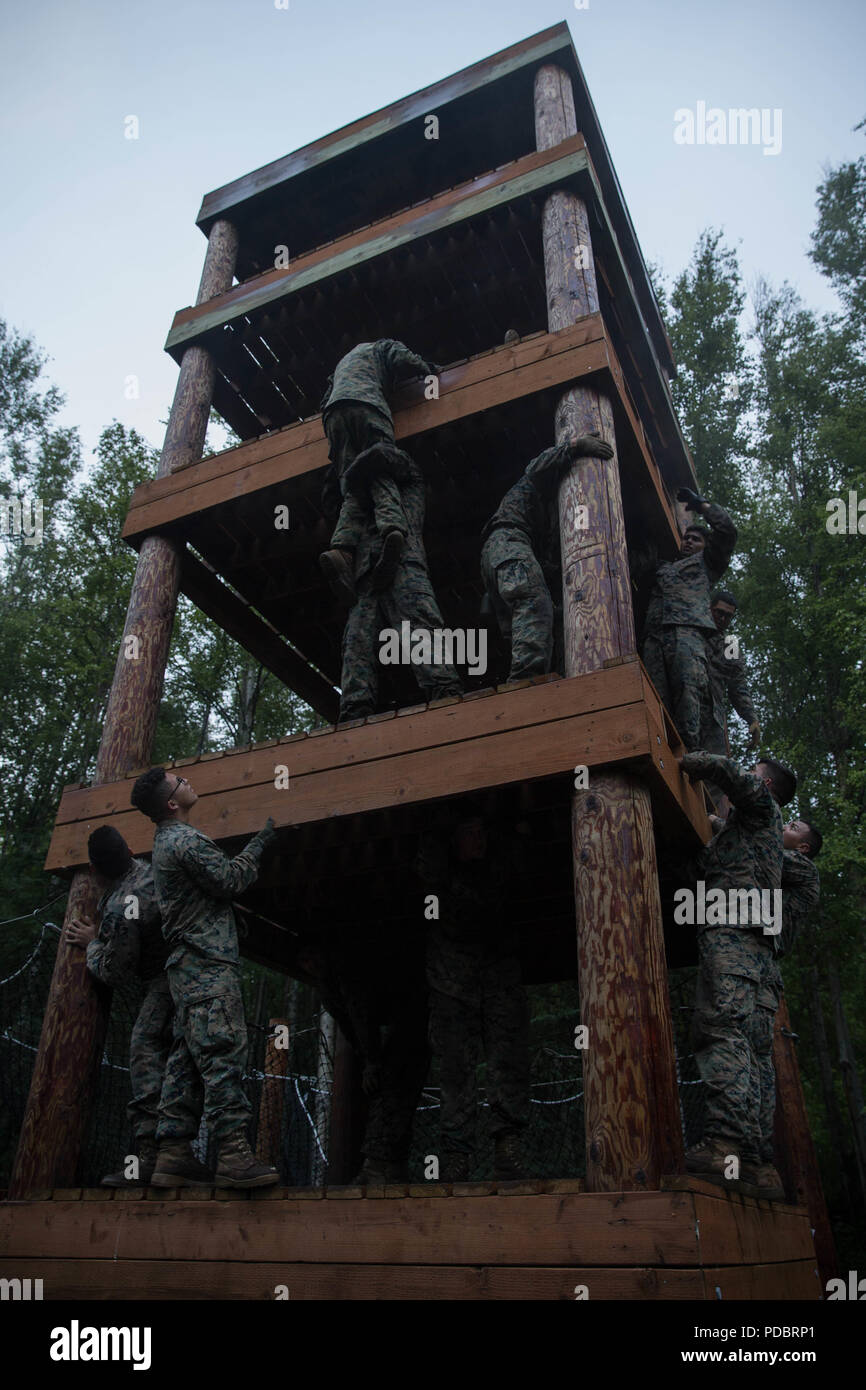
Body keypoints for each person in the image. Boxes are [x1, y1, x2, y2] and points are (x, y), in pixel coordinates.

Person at [129, 767, 279, 1188]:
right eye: (180, 782)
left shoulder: (165, 843)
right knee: (221, 1053)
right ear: (172, 803)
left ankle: (173, 1155)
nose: (187, 781)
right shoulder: (183, 840)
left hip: (186, 970)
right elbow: (231, 879)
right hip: (207, 967)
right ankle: (233, 1155)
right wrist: (261, 842)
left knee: (187, 1059)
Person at [677, 751, 796, 1200]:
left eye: (754, 778)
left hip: (735, 936)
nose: (741, 784)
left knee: (722, 1031)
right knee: (755, 1052)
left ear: (763, 787)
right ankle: (760, 1166)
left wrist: (689, 760)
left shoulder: (761, 807)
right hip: (757, 949)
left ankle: (725, 1146)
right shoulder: (753, 833)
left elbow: (729, 773)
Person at [415, 803, 530, 1183]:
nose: (478, 839)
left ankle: (508, 1148)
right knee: (455, 1072)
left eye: (482, 832)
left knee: (507, 1058)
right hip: (451, 983)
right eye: (469, 832)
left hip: (498, 976)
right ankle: (456, 1157)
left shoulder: (500, 870)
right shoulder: (438, 874)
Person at [66, 825, 182, 1188]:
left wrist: (92, 944)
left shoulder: (120, 905)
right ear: (130, 850)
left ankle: (150, 1159)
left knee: (145, 1051)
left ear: (96, 870)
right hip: (193, 975)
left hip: (167, 983)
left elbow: (115, 971)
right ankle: (175, 1157)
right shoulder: (151, 872)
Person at [338, 449, 462, 720]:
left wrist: (352, 470)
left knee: (419, 626)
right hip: (367, 576)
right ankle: (353, 711)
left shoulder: (411, 481)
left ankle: (445, 694)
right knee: (357, 640)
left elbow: (380, 455)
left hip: (404, 562)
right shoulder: (365, 505)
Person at [480, 433, 614, 682]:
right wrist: (575, 446)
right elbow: (535, 466)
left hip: (499, 553)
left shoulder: (548, 520)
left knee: (525, 623)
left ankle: (527, 680)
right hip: (508, 542)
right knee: (535, 604)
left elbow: (551, 564)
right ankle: (525, 683)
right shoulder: (540, 482)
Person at [318, 339, 437, 603]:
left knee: (354, 484)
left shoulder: (342, 363)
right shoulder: (383, 346)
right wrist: (428, 370)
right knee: (380, 466)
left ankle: (343, 549)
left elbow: (325, 400)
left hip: (333, 417)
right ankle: (392, 528)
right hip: (367, 405)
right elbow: (403, 359)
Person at [641, 490, 737, 750]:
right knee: (655, 699)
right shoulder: (664, 568)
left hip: (687, 636)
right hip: (654, 640)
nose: (689, 542)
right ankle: (661, 749)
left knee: (689, 696)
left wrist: (702, 506)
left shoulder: (707, 564)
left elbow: (728, 532)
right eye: (686, 538)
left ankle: (693, 756)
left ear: (706, 547)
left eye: (696, 539)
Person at [704, 590, 760, 756]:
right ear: (710, 609)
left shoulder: (730, 646)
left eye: (728, 616)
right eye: (719, 612)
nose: (722, 619)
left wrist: (752, 719)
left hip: (712, 718)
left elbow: (738, 686)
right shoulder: (693, 632)